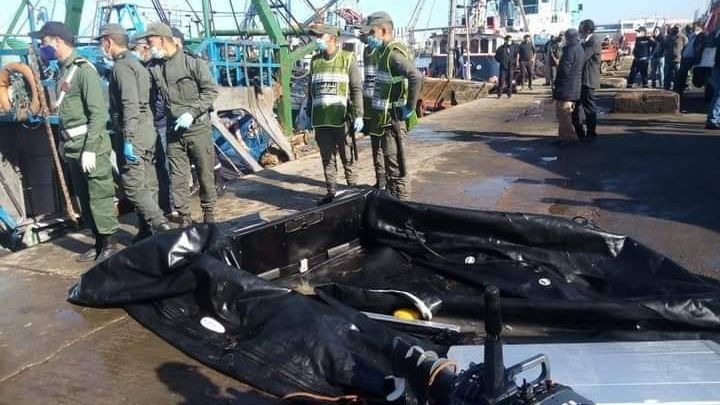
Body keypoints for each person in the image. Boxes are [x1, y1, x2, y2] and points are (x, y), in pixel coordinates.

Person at [30, 22, 119, 262]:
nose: (41, 47)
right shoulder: (63, 71)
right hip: (72, 146)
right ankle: (98, 242)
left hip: (90, 146)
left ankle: (109, 244)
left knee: (99, 195)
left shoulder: (83, 70)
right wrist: (63, 141)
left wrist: (90, 148)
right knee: (84, 198)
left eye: (44, 42)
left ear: (57, 41)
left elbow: (98, 114)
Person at [96, 24, 172, 242]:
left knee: (132, 185)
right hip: (147, 129)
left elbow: (130, 104)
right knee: (149, 182)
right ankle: (147, 231)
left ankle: (160, 224)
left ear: (108, 42)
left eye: (101, 43)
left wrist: (128, 138)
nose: (102, 47)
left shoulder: (122, 67)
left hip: (134, 132)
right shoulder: (137, 64)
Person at [137, 23, 219, 225]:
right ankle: (185, 217)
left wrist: (192, 113)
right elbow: (146, 94)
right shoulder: (154, 67)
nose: (148, 46)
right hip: (173, 128)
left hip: (197, 127)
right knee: (178, 175)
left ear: (162, 39)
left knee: (204, 171)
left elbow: (210, 91)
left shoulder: (192, 62)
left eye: (150, 41)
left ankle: (209, 213)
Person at [361, 12, 422, 200]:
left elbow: (415, 76)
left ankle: (402, 207)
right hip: (385, 121)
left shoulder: (393, 54)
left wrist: (410, 106)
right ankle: (393, 202)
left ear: (384, 30)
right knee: (390, 167)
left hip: (393, 121)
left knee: (396, 170)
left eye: (372, 32)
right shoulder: (383, 52)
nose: (369, 37)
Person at [306, 24, 363, 204]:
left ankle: (353, 191)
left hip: (341, 119)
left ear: (331, 38)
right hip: (321, 119)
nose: (316, 40)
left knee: (348, 157)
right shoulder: (315, 61)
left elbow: (356, 88)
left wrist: (359, 113)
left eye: (319, 37)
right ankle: (331, 192)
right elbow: (310, 90)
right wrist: (308, 112)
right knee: (327, 158)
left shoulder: (347, 58)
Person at [361, 32, 386, 190]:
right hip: (369, 107)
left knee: (387, 147)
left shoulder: (384, 51)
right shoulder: (366, 51)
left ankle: (390, 181)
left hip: (383, 107)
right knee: (375, 147)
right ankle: (380, 180)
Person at [553, 29, 585, 145]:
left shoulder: (569, 49)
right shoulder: (579, 48)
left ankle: (569, 137)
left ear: (568, 38)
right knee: (563, 113)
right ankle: (562, 136)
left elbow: (565, 70)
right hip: (574, 86)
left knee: (563, 114)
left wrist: (557, 82)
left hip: (567, 87)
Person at [573, 19, 602, 143]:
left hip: (588, 79)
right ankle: (579, 132)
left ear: (587, 30)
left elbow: (583, 57)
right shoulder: (586, 41)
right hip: (582, 79)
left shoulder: (593, 41)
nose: (580, 31)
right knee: (578, 106)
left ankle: (591, 132)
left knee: (589, 107)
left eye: (582, 28)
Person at [674, 23, 702, 95]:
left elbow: (698, 47)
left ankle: (680, 90)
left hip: (690, 57)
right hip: (686, 57)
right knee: (682, 75)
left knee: (682, 75)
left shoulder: (699, 35)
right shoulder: (691, 35)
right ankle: (679, 91)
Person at [664, 25, 687, 91]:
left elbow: (686, 47)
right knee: (668, 75)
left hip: (678, 60)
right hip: (669, 59)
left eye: (678, 28)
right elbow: (665, 46)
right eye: (675, 28)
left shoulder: (683, 37)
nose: (676, 30)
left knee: (677, 75)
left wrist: (682, 55)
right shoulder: (669, 37)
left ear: (680, 29)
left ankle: (676, 88)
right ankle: (666, 87)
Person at [705, 29, 720, 129]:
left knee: (717, 94)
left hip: (715, 67)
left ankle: (715, 118)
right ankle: (712, 119)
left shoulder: (715, 34)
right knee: (718, 95)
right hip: (718, 67)